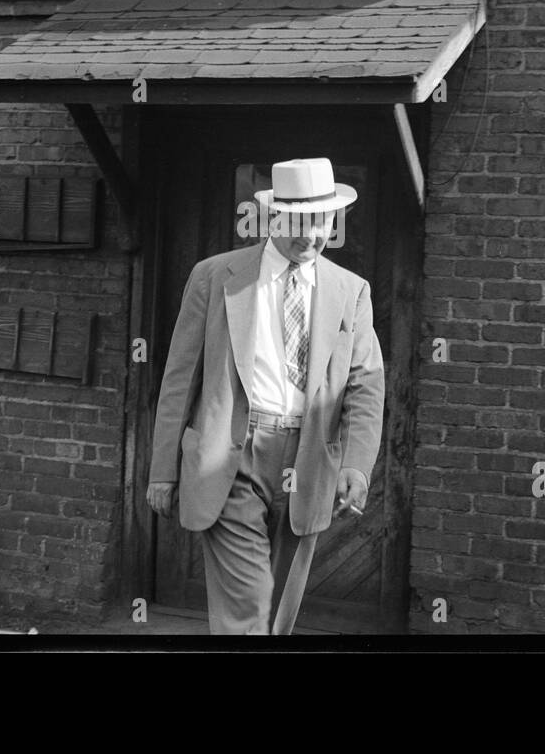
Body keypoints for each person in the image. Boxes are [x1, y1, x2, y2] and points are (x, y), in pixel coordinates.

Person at [147, 157, 385, 634]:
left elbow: (365, 383)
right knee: (248, 603)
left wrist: (357, 464)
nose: (310, 237)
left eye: (321, 224)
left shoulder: (351, 291)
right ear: (274, 216)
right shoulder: (216, 276)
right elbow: (179, 379)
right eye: (299, 224)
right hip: (232, 457)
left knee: (279, 612)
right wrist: (162, 470)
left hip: (310, 458)